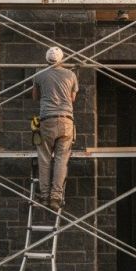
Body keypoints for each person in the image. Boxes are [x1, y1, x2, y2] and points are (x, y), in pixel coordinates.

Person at [32, 46, 78, 211]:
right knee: (61, 159)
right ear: (62, 59)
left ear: (46, 59)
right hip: (66, 121)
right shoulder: (71, 75)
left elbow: (35, 97)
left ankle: (44, 195)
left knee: (44, 158)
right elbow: (72, 99)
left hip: (47, 120)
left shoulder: (39, 74)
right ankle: (56, 197)